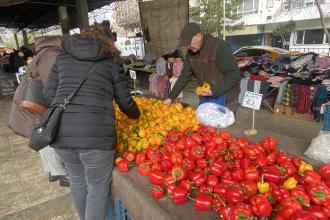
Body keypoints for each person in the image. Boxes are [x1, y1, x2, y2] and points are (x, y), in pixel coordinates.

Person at [43, 24, 140, 220]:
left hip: (62, 135)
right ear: (109, 42)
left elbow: (47, 94)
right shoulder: (111, 63)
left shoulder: (62, 58)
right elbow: (124, 101)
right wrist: (136, 115)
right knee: (96, 189)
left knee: (78, 182)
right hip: (96, 139)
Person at [8, 36, 69, 186]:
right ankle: (60, 173)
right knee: (46, 133)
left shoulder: (47, 52)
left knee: (42, 131)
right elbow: (52, 85)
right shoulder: (51, 54)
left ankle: (52, 170)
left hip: (36, 100)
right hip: (35, 102)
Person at [163, 23, 241, 108]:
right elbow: (184, 76)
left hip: (225, 97)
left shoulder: (219, 46)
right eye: (186, 45)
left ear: (199, 36)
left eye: (189, 43)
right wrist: (170, 98)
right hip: (205, 95)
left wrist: (214, 91)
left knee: (221, 120)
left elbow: (234, 73)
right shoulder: (191, 53)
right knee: (202, 120)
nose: (188, 47)